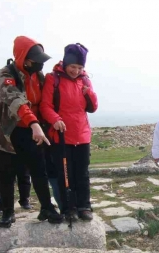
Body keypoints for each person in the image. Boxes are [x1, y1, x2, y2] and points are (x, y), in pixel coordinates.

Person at [0, 36, 63, 228]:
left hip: (32, 130)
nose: (40, 64)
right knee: (6, 172)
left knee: (38, 169)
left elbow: (46, 99)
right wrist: (34, 124)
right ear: (24, 59)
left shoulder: (39, 76)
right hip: (6, 131)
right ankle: (7, 212)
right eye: (36, 60)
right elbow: (16, 100)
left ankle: (46, 208)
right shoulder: (6, 74)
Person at [40, 43, 98, 221]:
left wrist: (90, 94)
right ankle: (68, 208)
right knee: (65, 174)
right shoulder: (53, 79)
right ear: (65, 63)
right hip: (61, 136)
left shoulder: (85, 80)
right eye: (73, 67)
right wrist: (55, 120)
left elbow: (93, 107)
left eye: (80, 67)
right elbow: (45, 106)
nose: (76, 70)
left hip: (82, 134)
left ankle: (84, 206)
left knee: (82, 173)